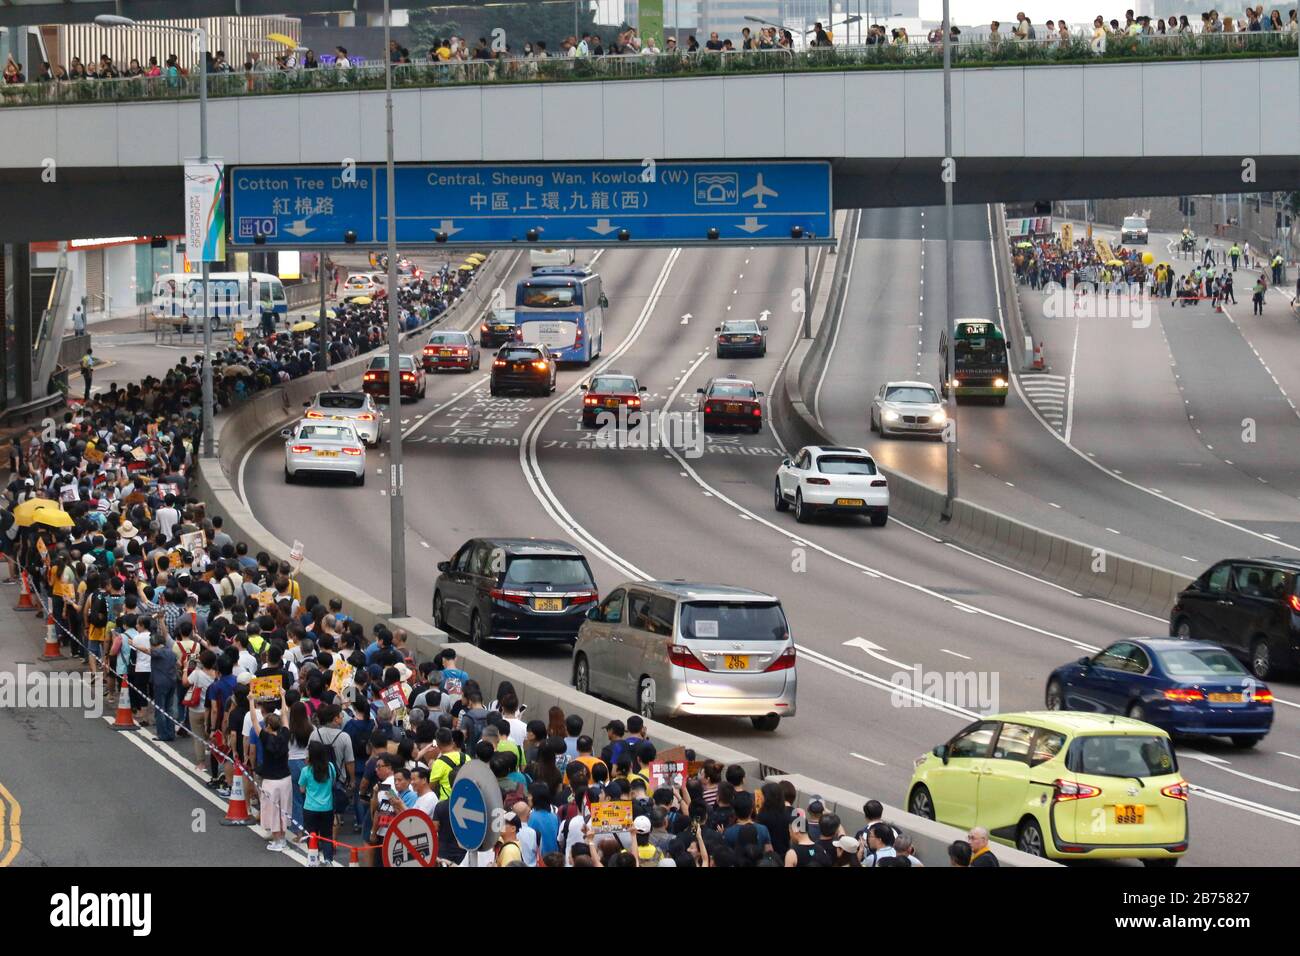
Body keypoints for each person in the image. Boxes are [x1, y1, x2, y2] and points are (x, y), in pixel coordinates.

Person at [299, 740, 338, 864]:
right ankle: (328, 860)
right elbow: (333, 783)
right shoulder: (330, 767)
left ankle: (313, 859)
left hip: (310, 808)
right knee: (327, 835)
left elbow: (302, 789)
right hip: (327, 808)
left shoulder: (306, 770)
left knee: (311, 835)